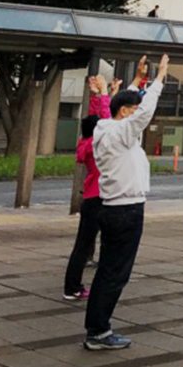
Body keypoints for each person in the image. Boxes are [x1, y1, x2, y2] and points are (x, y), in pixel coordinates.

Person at [83, 54, 168, 351]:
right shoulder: (120, 132)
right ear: (124, 113)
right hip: (125, 211)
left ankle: (97, 327)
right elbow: (141, 113)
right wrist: (158, 80)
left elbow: (125, 108)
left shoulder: (107, 129)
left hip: (114, 208)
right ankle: (98, 332)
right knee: (114, 273)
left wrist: (138, 81)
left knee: (109, 270)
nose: (138, 115)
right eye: (132, 109)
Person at [63, 75, 118, 301]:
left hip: (90, 198)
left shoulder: (85, 142)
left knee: (83, 245)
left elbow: (96, 120)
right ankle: (73, 287)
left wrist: (99, 94)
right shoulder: (99, 145)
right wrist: (104, 94)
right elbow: (106, 122)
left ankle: (72, 286)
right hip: (101, 199)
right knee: (96, 244)